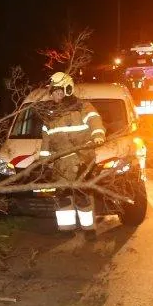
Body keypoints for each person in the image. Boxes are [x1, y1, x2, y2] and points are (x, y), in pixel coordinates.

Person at [39, 72, 106, 232]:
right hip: (60, 165)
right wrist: (44, 162)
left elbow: (95, 120)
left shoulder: (82, 107)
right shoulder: (50, 115)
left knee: (82, 197)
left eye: (59, 91)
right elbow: (46, 140)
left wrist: (98, 135)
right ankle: (66, 228)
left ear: (68, 89)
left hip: (81, 160)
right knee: (62, 198)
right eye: (54, 92)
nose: (56, 95)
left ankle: (89, 229)